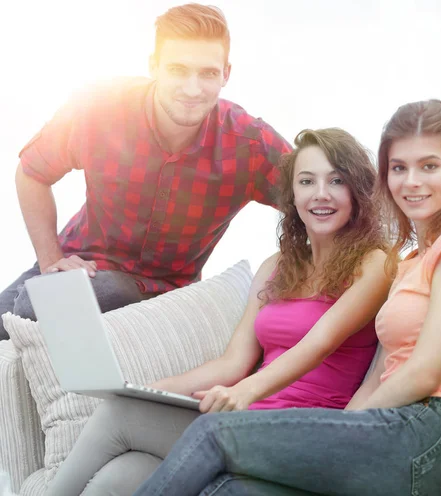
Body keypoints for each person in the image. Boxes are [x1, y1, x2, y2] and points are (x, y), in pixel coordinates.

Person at [131, 99, 441, 496]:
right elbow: (380, 375)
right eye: (399, 168)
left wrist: (342, 427)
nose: (412, 181)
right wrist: (338, 434)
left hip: (437, 434)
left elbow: (424, 372)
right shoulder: (409, 265)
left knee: (212, 433)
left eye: (429, 166)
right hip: (401, 432)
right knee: (230, 490)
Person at [45, 127, 390, 495]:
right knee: (124, 474)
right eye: (307, 181)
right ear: (292, 194)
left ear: (357, 190)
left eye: (336, 180)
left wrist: (244, 391)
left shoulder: (375, 264)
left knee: (118, 417)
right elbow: (233, 362)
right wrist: (147, 392)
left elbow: (319, 342)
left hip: (299, 434)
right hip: (242, 420)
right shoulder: (276, 265)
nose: (321, 194)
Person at [0, 3, 291, 341]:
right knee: (38, 304)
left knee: (58, 304)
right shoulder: (99, 108)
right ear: (154, 66)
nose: (192, 89)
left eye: (208, 73)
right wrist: (51, 260)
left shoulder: (249, 144)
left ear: (226, 74)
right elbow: (32, 172)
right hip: (76, 265)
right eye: (178, 70)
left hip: (160, 292)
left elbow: (317, 197)